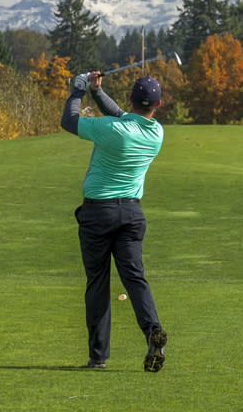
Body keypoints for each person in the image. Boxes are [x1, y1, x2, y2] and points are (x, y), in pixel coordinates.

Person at [60, 71, 167, 372]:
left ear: (131, 98)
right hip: (132, 215)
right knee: (135, 278)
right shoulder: (155, 133)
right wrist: (97, 92)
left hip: (98, 214)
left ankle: (98, 357)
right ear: (156, 105)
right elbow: (122, 116)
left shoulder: (113, 130)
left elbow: (69, 121)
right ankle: (152, 330)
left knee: (98, 282)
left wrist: (78, 90)